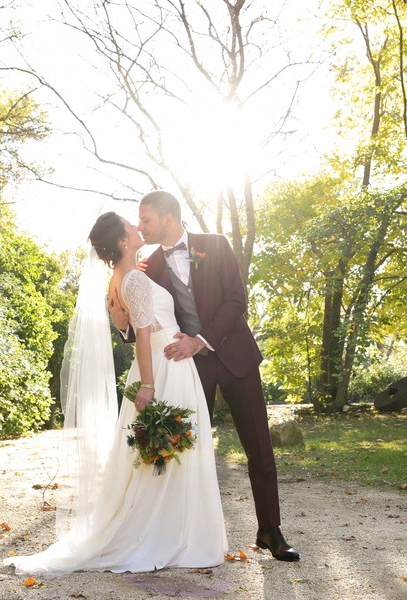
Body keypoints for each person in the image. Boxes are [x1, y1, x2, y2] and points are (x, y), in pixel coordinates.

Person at [4, 212, 226, 576]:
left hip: (163, 360)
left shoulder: (123, 277)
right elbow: (141, 334)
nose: (138, 227)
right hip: (164, 366)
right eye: (131, 224)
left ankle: (176, 532)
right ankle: (171, 535)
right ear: (122, 241)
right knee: (172, 451)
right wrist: (150, 385)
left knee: (169, 452)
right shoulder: (134, 278)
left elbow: (131, 324)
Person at [110, 190, 300, 562]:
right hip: (188, 372)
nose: (142, 226)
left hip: (235, 357)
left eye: (146, 219)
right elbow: (143, 324)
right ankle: (185, 536)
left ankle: (270, 530)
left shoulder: (216, 245)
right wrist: (120, 321)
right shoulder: (148, 266)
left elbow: (236, 300)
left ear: (168, 217)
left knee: (259, 447)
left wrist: (201, 340)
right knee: (188, 454)